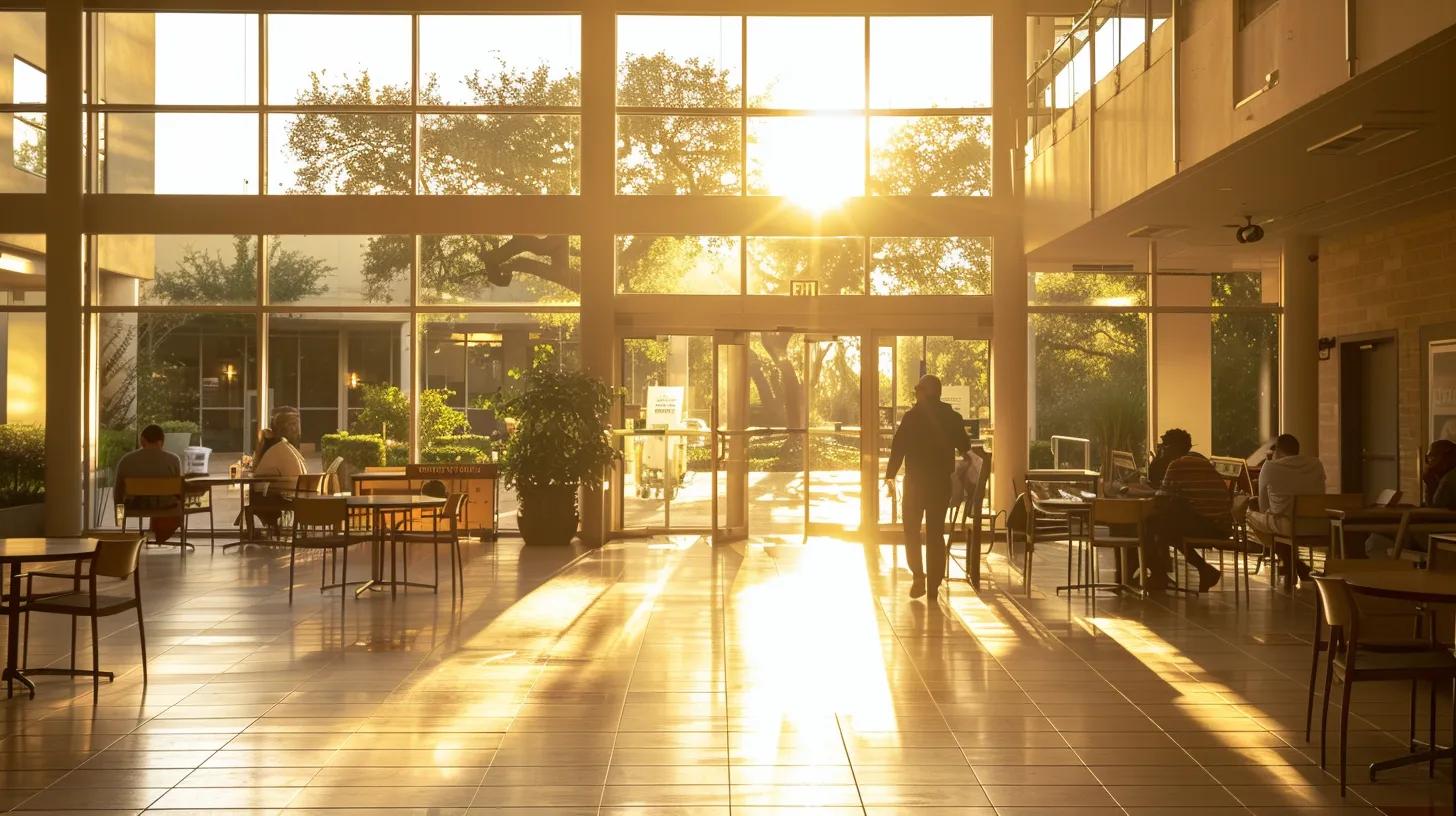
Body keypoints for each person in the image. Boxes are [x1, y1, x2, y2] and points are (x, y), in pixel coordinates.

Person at [884, 375, 970, 601]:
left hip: (915, 484)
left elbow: (898, 447)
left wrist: (890, 475)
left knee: (911, 531)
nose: (915, 393)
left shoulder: (912, 417)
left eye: (917, 389)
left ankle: (918, 576)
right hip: (940, 483)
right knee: (935, 533)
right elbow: (965, 447)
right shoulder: (953, 417)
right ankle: (933, 585)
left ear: (924, 391)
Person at [1142, 428, 1225, 591]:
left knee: (1148, 525)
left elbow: (1161, 497)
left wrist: (1138, 490)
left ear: (1174, 447)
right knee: (1163, 525)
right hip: (1219, 522)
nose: (1161, 449)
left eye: (1164, 446)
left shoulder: (1177, 465)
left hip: (1209, 524)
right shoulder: (1199, 460)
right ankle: (1201, 569)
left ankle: (1158, 574)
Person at [1246, 433, 1327, 580]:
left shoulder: (1270, 467)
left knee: (1250, 515)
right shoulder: (1316, 464)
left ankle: (1290, 563)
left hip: (1289, 526)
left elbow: (1264, 507)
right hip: (1319, 524)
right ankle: (1292, 564)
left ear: (1278, 450)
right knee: (1277, 521)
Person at [113, 424, 183, 544]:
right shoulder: (173, 460)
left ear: (142, 440)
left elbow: (117, 491)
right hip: (166, 507)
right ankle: (162, 535)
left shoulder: (126, 460)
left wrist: (120, 517)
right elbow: (179, 489)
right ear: (162, 441)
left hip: (135, 506)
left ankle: (123, 537)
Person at [247, 427, 308, 534]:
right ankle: (272, 528)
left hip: (289, 495)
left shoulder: (273, 451)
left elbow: (258, 475)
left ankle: (254, 533)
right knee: (263, 494)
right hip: (297, 492)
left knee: (254, 497)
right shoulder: (286, 447)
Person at [1423, 439, 1456, 509]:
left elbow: (1435, 513)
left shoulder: (1448, 480)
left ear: (1446, 457)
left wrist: (1430, 485)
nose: (1429, 463)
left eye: (1432, 457)